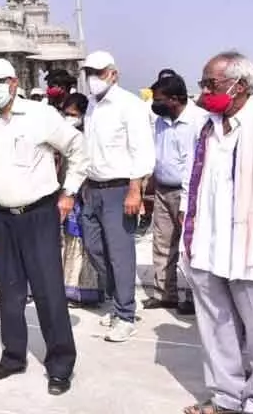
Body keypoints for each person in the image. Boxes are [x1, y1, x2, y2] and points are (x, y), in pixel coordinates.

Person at [0, 58, 86, 396]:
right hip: (2, 217)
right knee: (9, 291)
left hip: (40, 214)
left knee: (48, 290)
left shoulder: (40, 115)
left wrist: (69, 194)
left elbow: (78, 150)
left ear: (14, 82)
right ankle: (13, 355)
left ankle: (61, 363)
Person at [181, 51, 253, 414]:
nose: (205, 90)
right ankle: (226, 398)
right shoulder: (207, 125)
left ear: (240, 85)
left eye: (212, 83)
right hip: (207, 247)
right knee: (214, 329)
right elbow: (192, 181)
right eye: (203, 83)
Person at [80, 51, 156, 342]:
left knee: (121, 254)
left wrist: (135, 190)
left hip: (120, 189)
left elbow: (141, 150)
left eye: (98, 72)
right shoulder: (91, 106)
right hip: (93, 188)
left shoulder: (129, 105)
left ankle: (125, 314)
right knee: (95, 248)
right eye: (89, 72)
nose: (93, 79)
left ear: (113, 73)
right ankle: (118, 301)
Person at [146, 74, 203, 316]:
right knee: (162, 242)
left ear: (176, 99)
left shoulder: (197, 121)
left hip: (187, 192)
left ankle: (192, 297)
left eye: (160, 99)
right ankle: (164, 294)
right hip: (162, 189)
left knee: (189, 247)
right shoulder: (161, 120)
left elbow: (197, 162)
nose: (155, 104)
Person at [59, 93, 102, 307]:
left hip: (85, 195)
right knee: (69, 244)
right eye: (65, 114)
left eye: (73, 114)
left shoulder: (90, 137)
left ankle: (86, 291)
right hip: (67, 195)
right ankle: (69, 289)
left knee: (86, 244)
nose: (69, 118)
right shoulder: (64, 137)